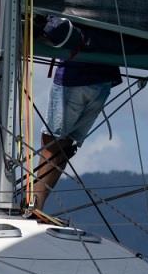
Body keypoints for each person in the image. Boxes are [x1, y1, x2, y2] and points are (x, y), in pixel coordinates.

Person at [33, 17, 122, 210]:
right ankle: (37, 206)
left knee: (51, 142)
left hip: (75, 76)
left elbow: (51, 29)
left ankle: (33, 205)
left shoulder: (70, 15)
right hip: (104, 80)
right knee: (64, 145)